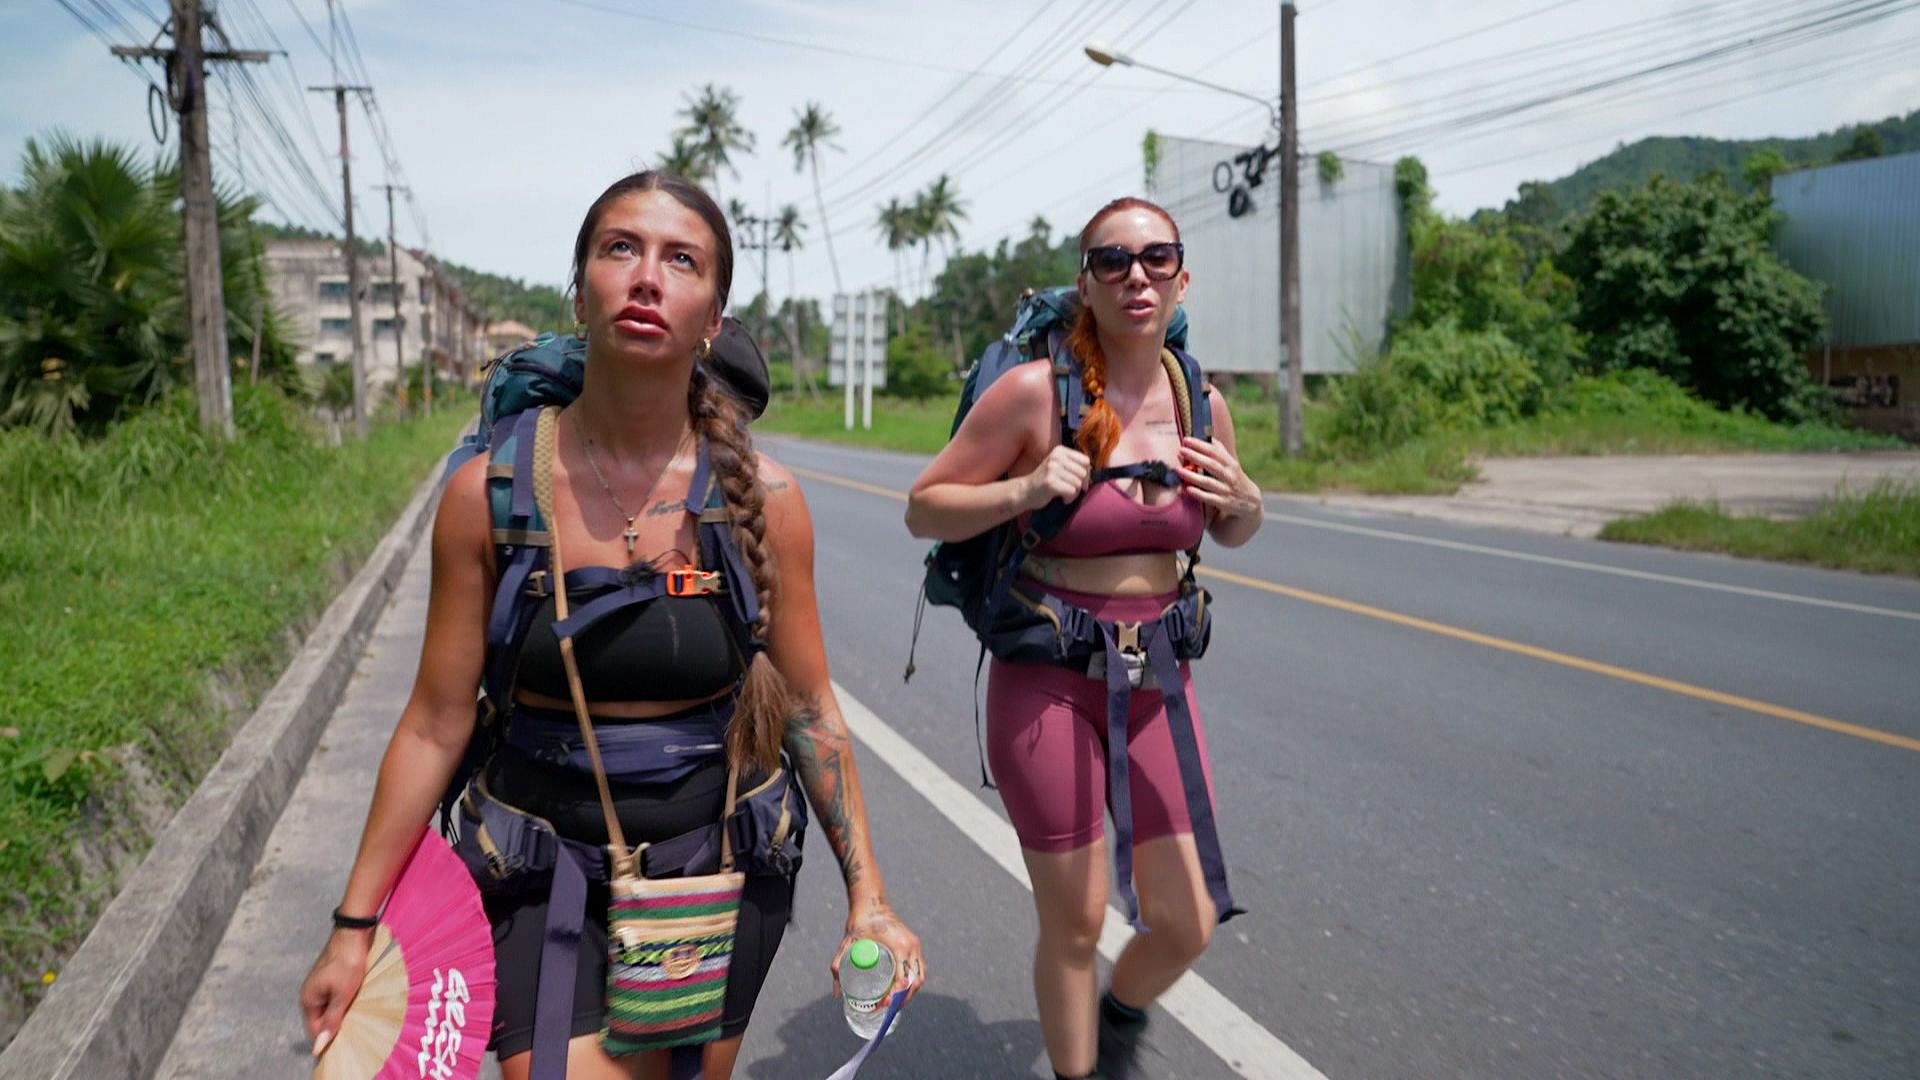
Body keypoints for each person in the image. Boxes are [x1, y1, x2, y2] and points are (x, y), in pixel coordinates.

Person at [300, 171, 923, 1080]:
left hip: (719, 869)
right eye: (620, 248)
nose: (647, 277)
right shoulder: (487, 495)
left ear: (712, 318)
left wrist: (870, 896)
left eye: (682, 260)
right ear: (580, 290)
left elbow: (808, 708)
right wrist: (354, 926)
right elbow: (435, 722)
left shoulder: (767, 500)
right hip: (533, 868)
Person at [904, 196, 1263, 1079]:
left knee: (1189, 919)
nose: (1136, 275)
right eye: (1113, 260)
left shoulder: (1201, 403)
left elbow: (1231, 529)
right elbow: (925, 508)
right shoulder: (1035, 394)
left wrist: (1249, 505)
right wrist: (1024, 491)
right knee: (1076, 920)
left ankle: (1119, 1016)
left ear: (1182, 277)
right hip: (1050, 678)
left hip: (1158, 679)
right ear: (1087, 283)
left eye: (1155, 257)